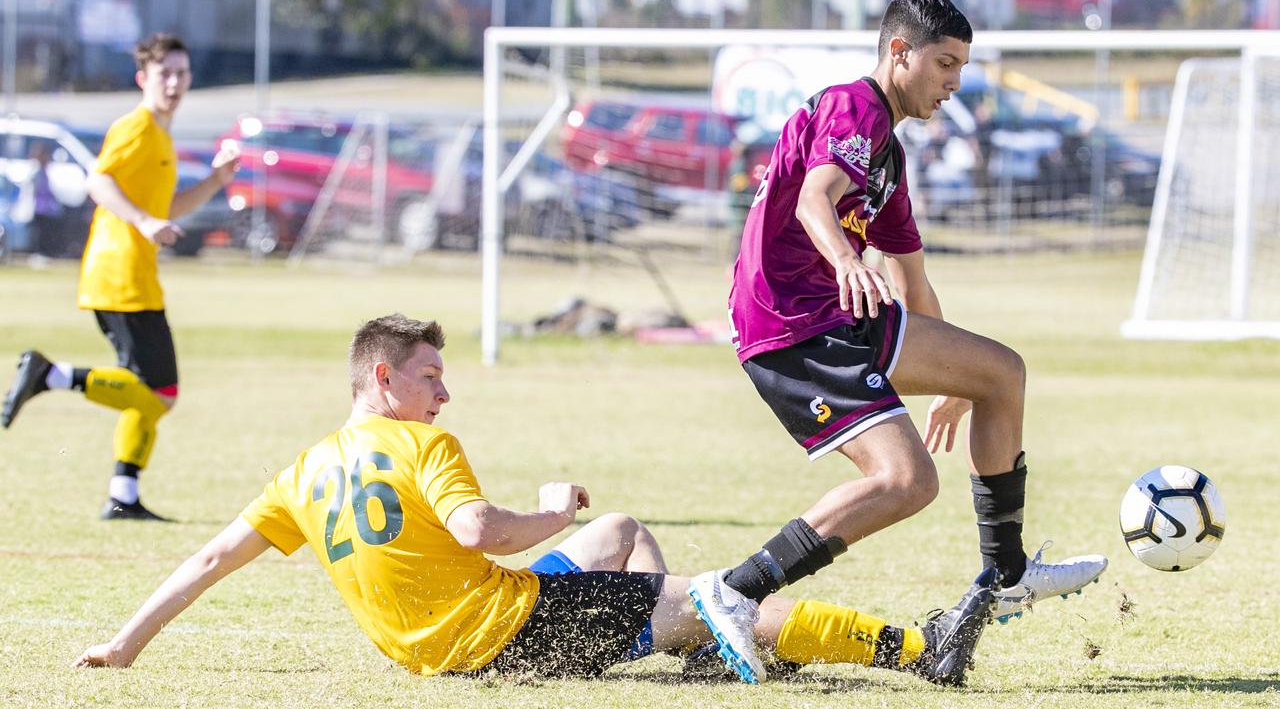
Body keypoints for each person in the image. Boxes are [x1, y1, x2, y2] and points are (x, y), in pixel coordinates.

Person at [73, 314, 1000, 687]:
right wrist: (551, 511)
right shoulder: (423, 441)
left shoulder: (304, 471)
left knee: (623, 532)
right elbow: (481, 531)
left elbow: (206, 559)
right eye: (432, 376)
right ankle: (920, 651)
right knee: (728, 595)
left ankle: (692, 647)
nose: (445, 394)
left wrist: (126, 644)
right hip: (506, 633)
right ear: (385, 379)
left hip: (440, 650)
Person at [693, 0, 1107, 679]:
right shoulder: (854, 107)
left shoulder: (889, 156)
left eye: (961, 68)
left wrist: (953, 379)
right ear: (899, 52)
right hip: (791, 323)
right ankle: (735, 591)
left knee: (999, 373)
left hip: (840, 312)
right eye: (944, 63)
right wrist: (848, 259)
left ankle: (1005, 572)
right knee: (908, 480)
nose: (953, 83)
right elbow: (812, 197)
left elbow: (912, 279)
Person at [0, 33, 240, 520]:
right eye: (164, 73)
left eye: (181, 72)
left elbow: (167, 207)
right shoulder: (137, 126)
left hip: (134, 273)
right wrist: (145, 223)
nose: (174, 82)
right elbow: (98, 181)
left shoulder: (161, 136)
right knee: (159, 393)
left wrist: (214, 182)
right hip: (120, 272)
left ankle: (124, 495)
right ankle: (51, 374)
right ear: (142, 79)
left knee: (150, 394)